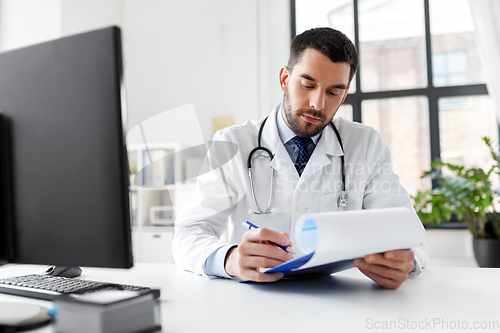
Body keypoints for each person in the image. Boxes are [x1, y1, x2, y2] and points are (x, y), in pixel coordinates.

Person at [173, 27, 429, 289]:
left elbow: (411, 235)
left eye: (333, 92)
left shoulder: (365, 145)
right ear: (284, 78)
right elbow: (188, 234)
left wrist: (404, 263)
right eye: (307, 85)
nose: (318, 103)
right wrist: (230, 258)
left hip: (339, 300)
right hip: (254, 301)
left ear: (345, 92)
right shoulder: (233, 143)